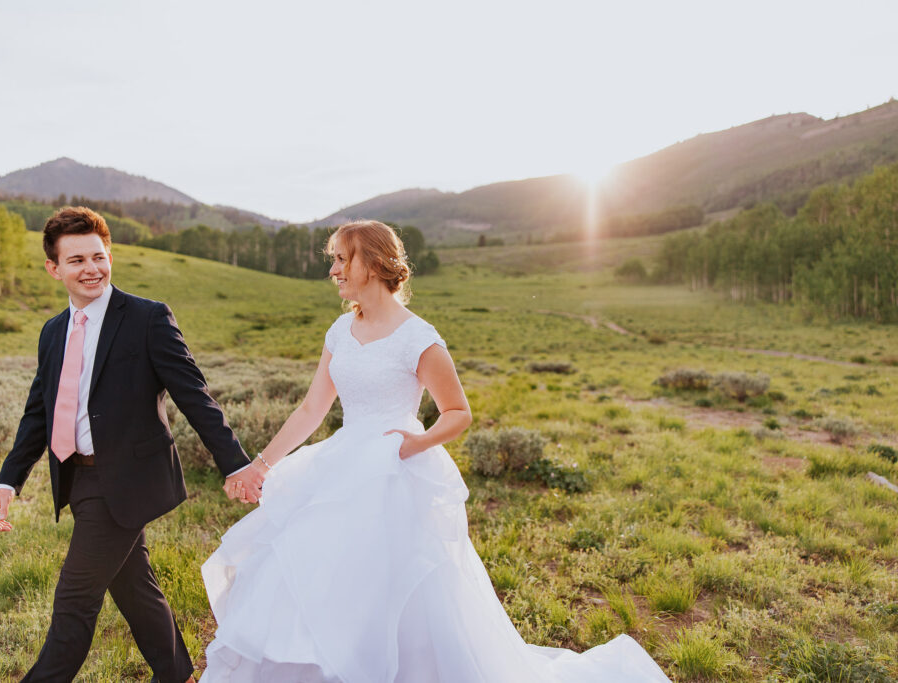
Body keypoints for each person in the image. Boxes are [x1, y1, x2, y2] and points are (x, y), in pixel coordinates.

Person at [202, 220, 670, 682]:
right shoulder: (340, 332)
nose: (335, 271)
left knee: (401, 587)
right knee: (321, 577)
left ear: (375, 263)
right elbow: (310, 409)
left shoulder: (417, 336)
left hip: (396, 470)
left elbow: (457, 412)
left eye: (343, 259)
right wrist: (259, 466)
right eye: (335, 261)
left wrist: (418, 443)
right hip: (341, 464)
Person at [0, 207, 264, 683]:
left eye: (98, 256)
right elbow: (39, 413)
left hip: (127, 480)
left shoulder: (147, 318)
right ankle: (176, 673)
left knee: (74, 601)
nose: (91, 268)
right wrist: (8, 480)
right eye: (76, 261)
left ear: (110, 255)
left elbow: (193, 395)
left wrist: (235, 464)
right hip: (79, 478)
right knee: (134, 586)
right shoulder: (53, 332)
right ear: (54, 269)